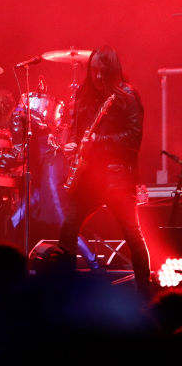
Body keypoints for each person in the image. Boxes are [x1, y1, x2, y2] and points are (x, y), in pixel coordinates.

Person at [56, 46, 151, 294]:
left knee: (132, 234)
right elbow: (77, 130)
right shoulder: (83, 95)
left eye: (103, 72)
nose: (98, 76)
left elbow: (134, 138)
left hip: (117, 176)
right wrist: (73, 144)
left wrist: (99, 141)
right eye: (94, 71)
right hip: (89, 177)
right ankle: (64, 292)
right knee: (68, 229)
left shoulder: (127, 96)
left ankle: (145, 293)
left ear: (114, 71)